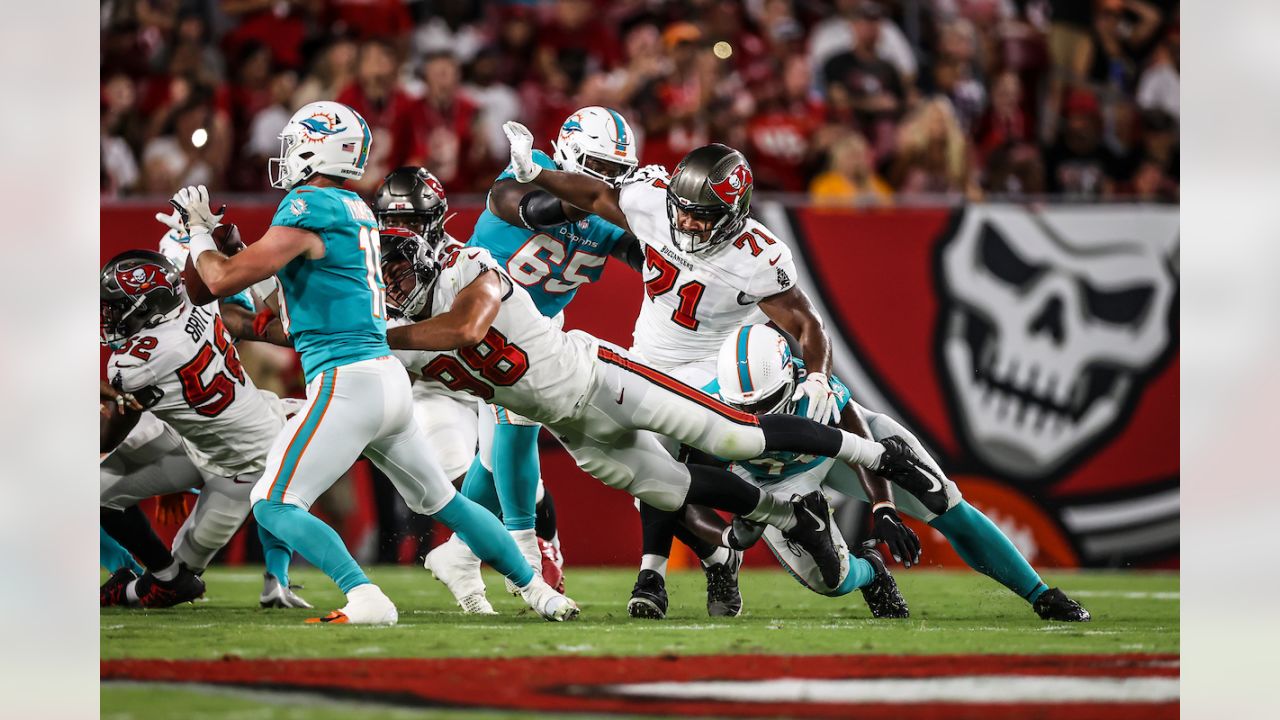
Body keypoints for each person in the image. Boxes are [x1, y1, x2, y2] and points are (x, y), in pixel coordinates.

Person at [378, 228, 950, 605]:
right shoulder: (398, 340)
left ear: (431, 255)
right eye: (385, 276)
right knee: (672, 489)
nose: (394, 285)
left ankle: (879, 456)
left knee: (734, 434)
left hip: (601, 375)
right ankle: (787, 517)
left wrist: (378, 333)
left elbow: (466, 329)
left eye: (401, 270)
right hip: (572, 428)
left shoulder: (470, 270)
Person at [166, 100, 576, 624]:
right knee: (445, 504)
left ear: (315, 149)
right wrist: (219, 242)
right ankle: (541, 592)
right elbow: (260, 292)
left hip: (347, 380)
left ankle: (364, 595)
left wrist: (198, 237)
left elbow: (222, 282)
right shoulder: (353, 208)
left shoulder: (307, 206)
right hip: (386, 380)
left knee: (272, 502)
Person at [498, 122, 873, 619]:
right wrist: (535, 174)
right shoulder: (653, 201)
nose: (687, 224)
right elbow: (592, 193)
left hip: (715, 368)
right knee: (645, 470)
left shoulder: (756, 255)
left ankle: (661, 571)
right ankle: (714, 553)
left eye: (702, 216)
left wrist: (821, 374)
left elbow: (806, 322)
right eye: (683, 211)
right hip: (650, 357)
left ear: (732, 214)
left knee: (683, 460)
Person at [692, 324, 1092, 622]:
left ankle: (1039, 593)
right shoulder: (703, 409)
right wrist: (734, 528)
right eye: (746, 410)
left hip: (841, 452)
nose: (759, 418)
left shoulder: (814, 387)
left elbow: (863, 447)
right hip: (774, 481)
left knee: (944, 502)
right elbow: (691, 486)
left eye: (767, 403)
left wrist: (884, 507)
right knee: (830, 580)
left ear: (790, 379)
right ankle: (872, 572)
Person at [422, 107, 640, 613]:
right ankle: (524, 558)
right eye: (594, 167)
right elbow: (529, 208)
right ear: (566, 155)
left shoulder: (609, 207)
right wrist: (575, 192)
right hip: (482, 315)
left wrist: (663, 218)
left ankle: (460, 551)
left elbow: (647, 254)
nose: (604, 180)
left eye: (613, 171)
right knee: (515, 430)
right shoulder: (529, 168)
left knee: (496, 448)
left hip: (538, 331)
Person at [99, 250, 307, 610]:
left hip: (241, 469)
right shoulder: (199, 305)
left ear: (146, 305)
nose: (109, 315)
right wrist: (207, 237)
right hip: (198, 441)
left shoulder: (133, 364)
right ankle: (158, 577)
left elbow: (113, 430)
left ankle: (148, 581)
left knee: (173, 584)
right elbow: (206, 278)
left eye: (117, 306)